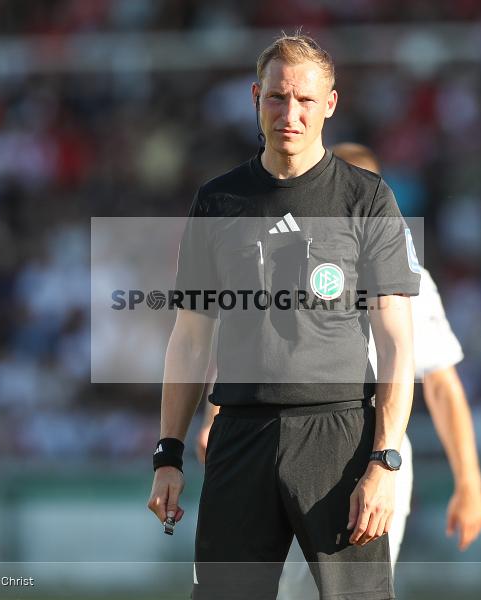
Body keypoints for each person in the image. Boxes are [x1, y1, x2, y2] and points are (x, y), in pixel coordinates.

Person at [147, 33, 420, 600]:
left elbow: (395, 340)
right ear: (255, 97)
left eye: (304, 100)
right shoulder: (218, 202)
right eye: (276, 97)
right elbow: (191, 338)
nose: (289, 113)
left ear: (330, 105)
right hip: (239, 433)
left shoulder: (365, 199)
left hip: (339, 436)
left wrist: (385, 460)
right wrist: (168, 452)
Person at [196, 143, 481, 600]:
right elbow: (244, 342)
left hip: (370, 447)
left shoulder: (409, 279)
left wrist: (468, 481)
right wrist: (213, 419)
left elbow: (441, 384)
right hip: (281, 438)